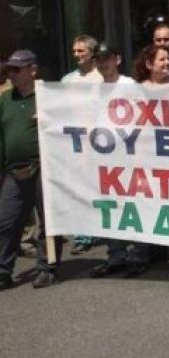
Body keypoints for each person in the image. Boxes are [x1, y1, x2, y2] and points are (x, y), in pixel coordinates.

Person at [0, 50, 64, 289]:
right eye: (9, 70)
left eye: (17, 70)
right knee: (6, 223)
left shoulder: (48, 96)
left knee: (48, 223)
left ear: (33, 70)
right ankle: (3, 271)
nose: (12, 74)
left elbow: (66, 127)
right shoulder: (5, 99)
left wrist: (48, 119)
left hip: (43, 168)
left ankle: (48, 268)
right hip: (13, 171)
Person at [88, 44, 149, 279]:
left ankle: (139, 256)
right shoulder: (95, 90)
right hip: (105, 158)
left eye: (107, 59)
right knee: (109, 207)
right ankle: (116, 256)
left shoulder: (129, 86)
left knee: (134, 205)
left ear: (117, 60)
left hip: (129, 156)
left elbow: (144, 116)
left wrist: (140, 149)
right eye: (99, 60)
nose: (103, 64)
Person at [62, 34, 103, 255]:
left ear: (92, 52)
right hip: (75, 141)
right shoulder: (67, 80)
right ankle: (82, 235)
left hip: (100, 141)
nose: (76, 54)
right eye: (74, 51)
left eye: (81, 51)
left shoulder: (103, 78)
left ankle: (103, 227)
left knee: (100, 188)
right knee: (79, 188)